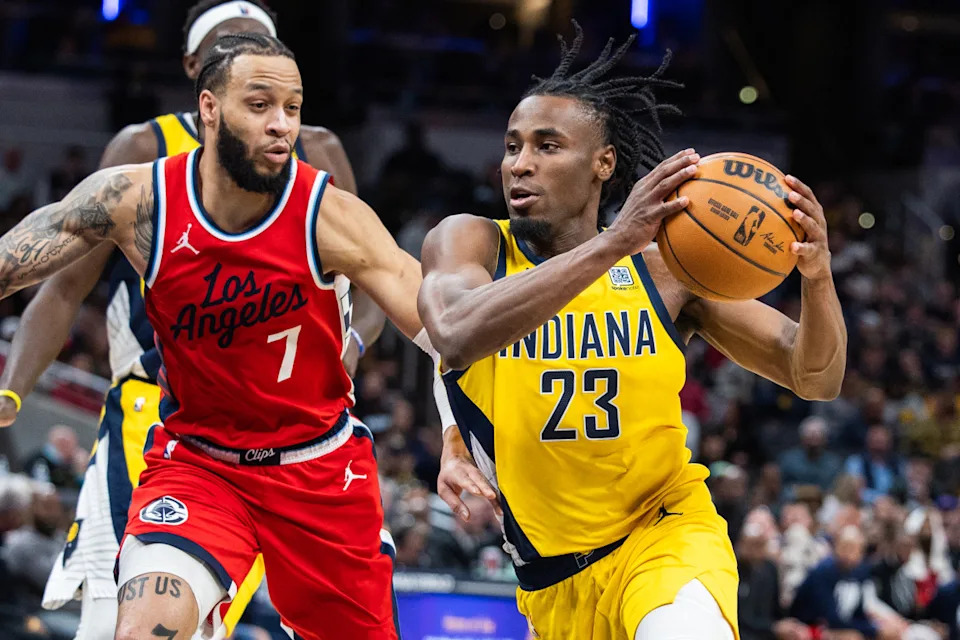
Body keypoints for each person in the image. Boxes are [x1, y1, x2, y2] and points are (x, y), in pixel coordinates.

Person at [0, 32, 451, 639]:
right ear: (209, 107)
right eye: (259, 104)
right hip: (199, 468)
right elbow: (18, 257)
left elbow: (442, 327)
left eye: (292, 109)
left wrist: (461, 429)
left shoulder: (329, 214)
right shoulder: (140, 200)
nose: (281, 126)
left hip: (317, 471)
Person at [418, 23, 847, 640]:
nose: (520, 164)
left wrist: (819, 277)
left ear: (604, 163)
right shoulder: (470, 241)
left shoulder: (667, 269)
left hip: (663, 533)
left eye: (547, 146)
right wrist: (613, 242)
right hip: (552, 580)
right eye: (513, 147)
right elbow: (455, 331)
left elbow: (816, 375)